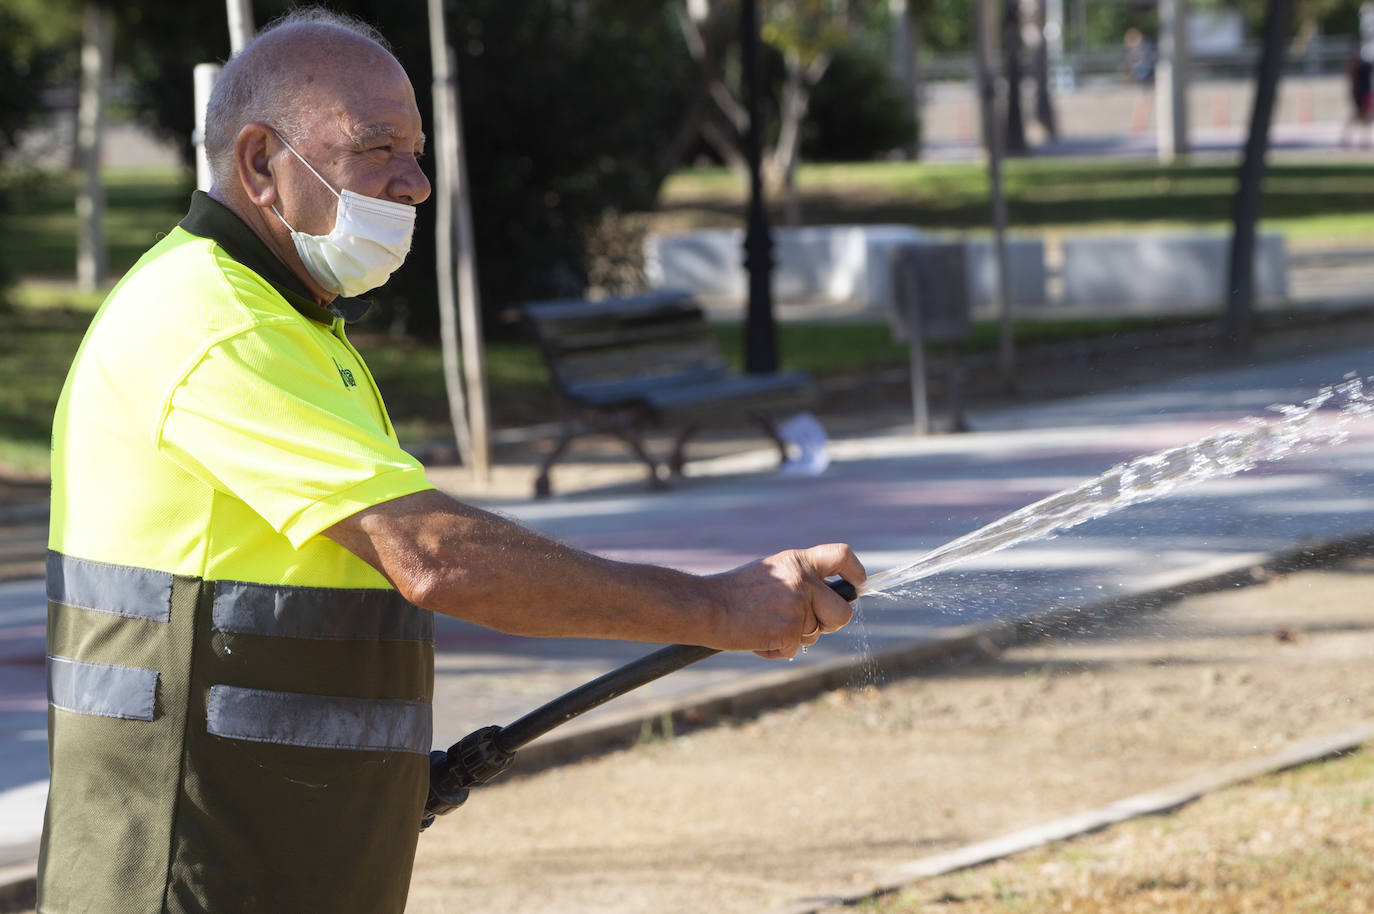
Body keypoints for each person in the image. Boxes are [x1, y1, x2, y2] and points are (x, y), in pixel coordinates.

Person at [39, 8, 864, 913]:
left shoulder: (289, 323)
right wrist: (715, 606)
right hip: (192, 868)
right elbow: (433, 557)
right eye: (379, 147)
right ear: (260, 164)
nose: (418, 183)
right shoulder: (215, 325)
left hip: (273, 851)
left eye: (418, 151)